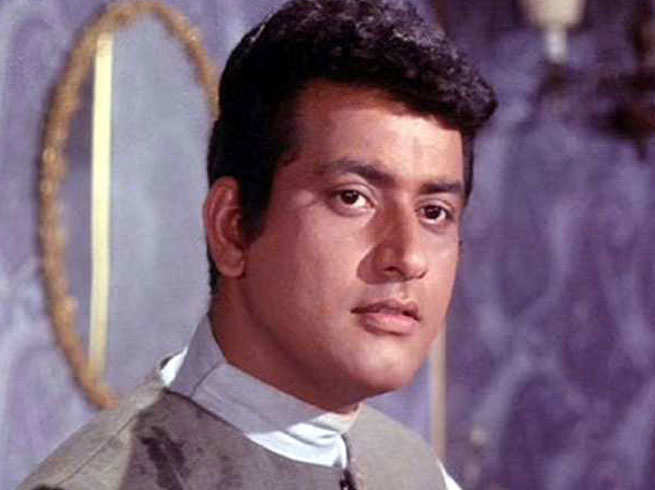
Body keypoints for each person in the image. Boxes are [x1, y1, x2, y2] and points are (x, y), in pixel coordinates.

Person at [21, 0, 496, 488]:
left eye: (434, 212)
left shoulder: (416, 472)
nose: (408, 257)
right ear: (232, 228)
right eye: (352, 198)